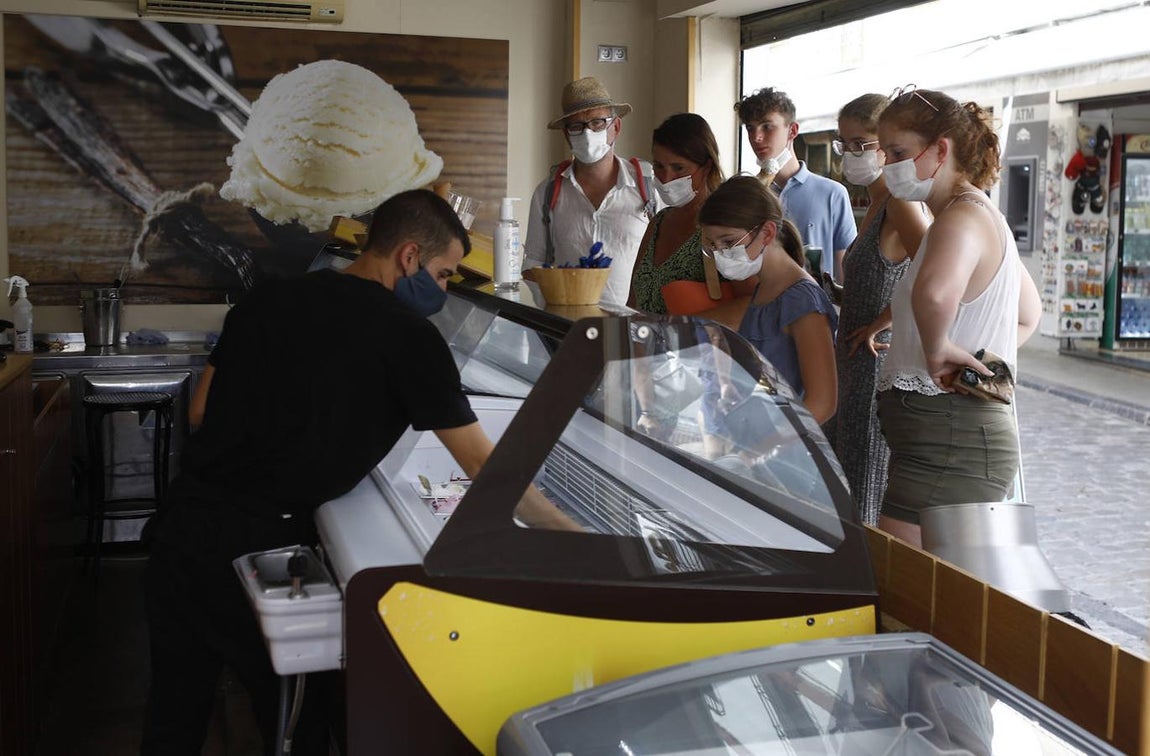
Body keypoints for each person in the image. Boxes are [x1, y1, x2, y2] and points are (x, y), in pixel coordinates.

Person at [141, 190, 576, 755]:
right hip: (259, 552)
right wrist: (571, 535)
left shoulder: (268, 297)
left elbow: (202, 412)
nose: (444, 292)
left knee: (174, 712)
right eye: (445, 275)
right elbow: (481, 466)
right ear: (409, 256)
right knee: (297, 721)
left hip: (182, 531)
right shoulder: (409, 337)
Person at [874, 87, 1041, 547]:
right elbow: (1027, 315)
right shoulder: (975, 216)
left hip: (952, 442)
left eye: (898, 151)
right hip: (948, 438)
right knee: (924, 588)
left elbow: (933, 294)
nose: (887, 163)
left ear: (940, 150)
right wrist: (967, 350)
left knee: (907, 584)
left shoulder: (960, 220)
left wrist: (938, 350)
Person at [830, 93, 930, 526]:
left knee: (864, 491)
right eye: (844, 144)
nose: (852, 154)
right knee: (848, 487)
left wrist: (883, 320)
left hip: (875, 367)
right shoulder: (874, 203)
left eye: (862, 144)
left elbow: (936, 266)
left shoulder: (900, 202)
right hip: (851, 366)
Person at [698, 176, 839, 428]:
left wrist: (767, 448)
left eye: (728, 242)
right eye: (714, 245)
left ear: (767, 233)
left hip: (788, 451)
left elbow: (822, 403)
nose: (720, 254)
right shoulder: (763, 290)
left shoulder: (803, 300)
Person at [524, 76, 660, 307]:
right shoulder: (547, 192)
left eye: (598, 122)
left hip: (633, 327)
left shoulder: (648, 186)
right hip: (567, 328)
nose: (588, 134)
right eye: (577, 126)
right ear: (567, 134)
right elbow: (532, 265)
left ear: (615, 127)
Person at [735, 87, 857, 281]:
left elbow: (845, 270)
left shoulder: (832, 193)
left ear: (792, 130)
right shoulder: (746, 196)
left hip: (816, 305)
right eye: (750, 128)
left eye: (767, 126)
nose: (756, 137)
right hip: (759, 303)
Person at [628, 112, 726, 314]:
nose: (666, 178)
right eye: (659, 166)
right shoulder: (657, 223)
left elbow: (751, 303)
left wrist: (690, 330)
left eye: (678, 168)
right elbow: (632, 302)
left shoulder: (724, 227)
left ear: (707, 166)